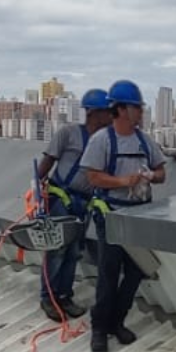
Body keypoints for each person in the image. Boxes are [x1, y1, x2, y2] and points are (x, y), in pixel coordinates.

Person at [80, 79, 167, 352]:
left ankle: (117, 321)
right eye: (136, 107)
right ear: (122, 109)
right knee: (108, 272)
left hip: (139, 216)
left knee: (135, 271)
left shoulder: (144, 140)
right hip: (112, 214)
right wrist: (122, 181)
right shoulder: (102, 140)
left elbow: (162, 172)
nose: (140, 112)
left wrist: (151, 176)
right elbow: (93, 176)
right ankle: (99, 328)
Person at [35, 88, 112, 321]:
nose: (111, 116)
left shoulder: (106, 142)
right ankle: (49, 298)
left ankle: (64, 296)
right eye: (108, 112)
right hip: (62, 198)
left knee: (74, 251)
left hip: (83, 203)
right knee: (57, 250)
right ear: (94, 113)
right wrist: (36, 195)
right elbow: (47, 163)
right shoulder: (69, 134)